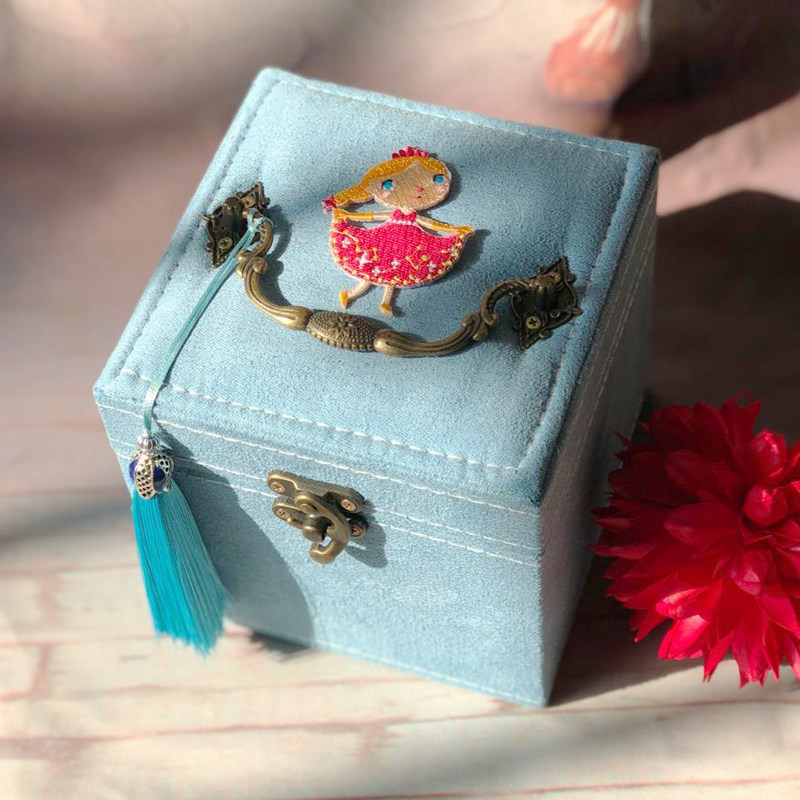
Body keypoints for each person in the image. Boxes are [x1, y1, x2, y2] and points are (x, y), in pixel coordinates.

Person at [323, 147, 474, 316]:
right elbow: (372, 216)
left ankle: (385, 302)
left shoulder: (413, 216)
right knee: (371, 266)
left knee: (394, 270)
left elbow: (432, 225)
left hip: (407, 245)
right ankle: (351, 294)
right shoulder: (395, 213)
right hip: (383, 241)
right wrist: (348, 216)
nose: (418, 189)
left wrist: (455, 230)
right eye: (389, 184)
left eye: (437, 180)